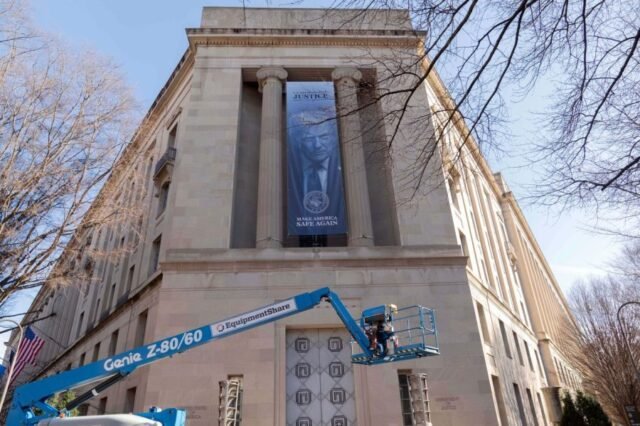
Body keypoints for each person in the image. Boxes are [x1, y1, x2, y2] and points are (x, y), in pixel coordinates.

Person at [286, 110, 347, 236]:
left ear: (333, 138)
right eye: (309, 139)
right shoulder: (291, 166)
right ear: (298, 141)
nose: (317, 145)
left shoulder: (342, 164)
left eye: (324, 137)